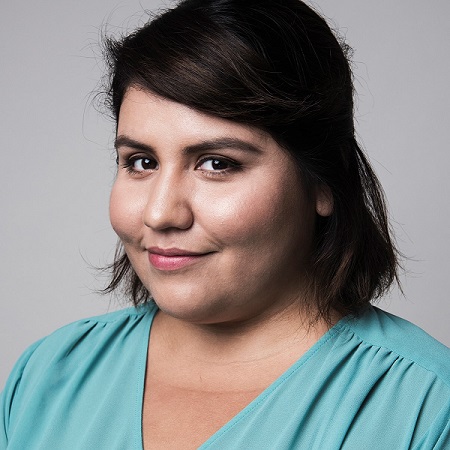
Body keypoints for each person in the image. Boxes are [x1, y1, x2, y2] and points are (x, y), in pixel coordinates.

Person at [1, 0, 449, 448]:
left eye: (216, 163)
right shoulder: (46, 376)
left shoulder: (427, 409)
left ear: (323, 181)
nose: (160, 213)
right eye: (141, 162)